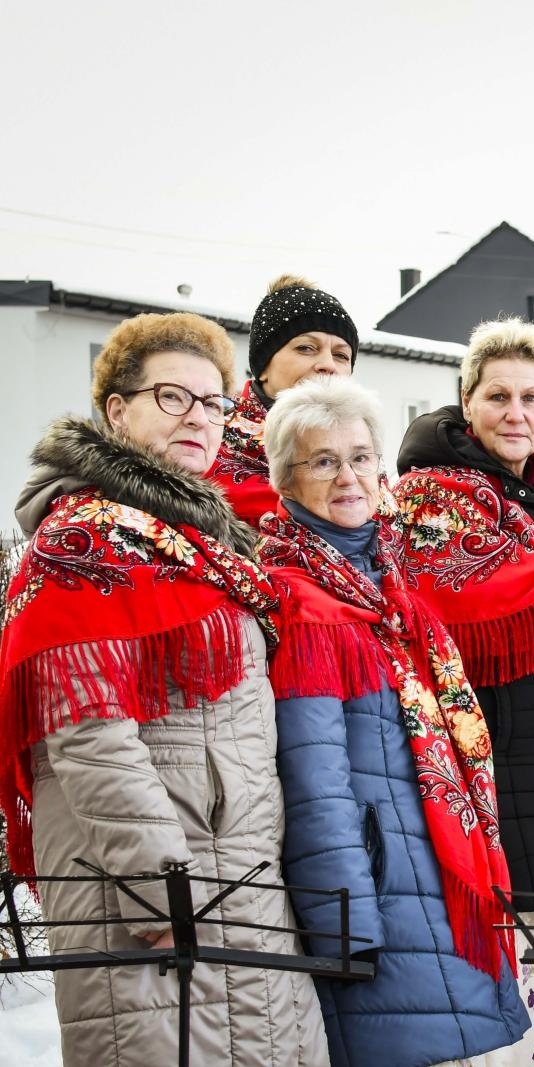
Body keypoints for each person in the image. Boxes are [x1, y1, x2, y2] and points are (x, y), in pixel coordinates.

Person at [0, 312, 328, 1066]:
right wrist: (159, 891)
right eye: (172, 397)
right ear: (117, 410)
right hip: (152, 896)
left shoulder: (205, 547)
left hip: (238, 876)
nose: (199, 418)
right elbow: (89, 733)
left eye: (213, 402)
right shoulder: (83, 541)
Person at [261, 377, 531, 1067]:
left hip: (425, 888)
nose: (348, 477)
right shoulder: (305, 605)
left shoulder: (390, 590)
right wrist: (346, 931)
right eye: (324, 461)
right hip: (379, 911)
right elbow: (316, 786)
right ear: (285, 479)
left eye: (360, 457)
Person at [394, 317, 534, 1066]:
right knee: (504, 977)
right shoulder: (426, 498)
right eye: (497, 396)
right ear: (467, 402)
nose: (515, 413)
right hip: (487, 760)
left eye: (530, 397)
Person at [210, 274, 360, 526]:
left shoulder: (363, 455)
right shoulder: (209, 447)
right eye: (306, 348)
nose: (328, 364)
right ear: (263, 367)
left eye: (341, 355)